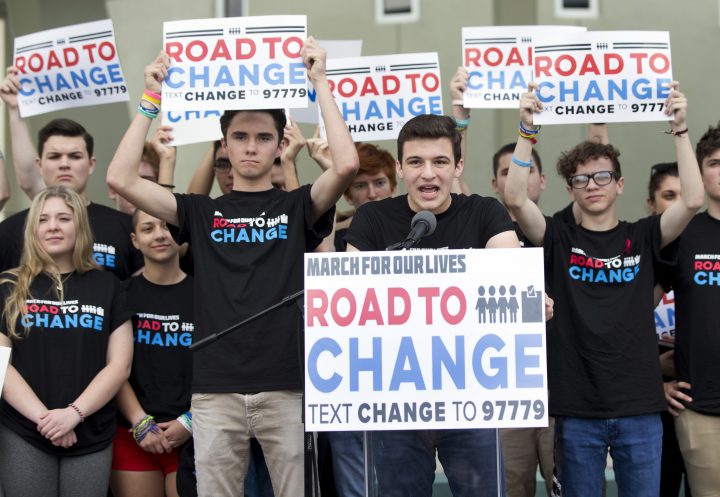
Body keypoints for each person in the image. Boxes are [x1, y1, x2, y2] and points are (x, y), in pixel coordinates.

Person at [106, 38, 359, 497]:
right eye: (240, 137)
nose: (250, 147)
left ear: (280, 144)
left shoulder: (296, 206)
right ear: (224, 143)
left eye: (263, 137)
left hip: (286, 386)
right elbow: (120, 178)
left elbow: (346, 165)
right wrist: (150, 97)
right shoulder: (199, 213)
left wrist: (320, 81)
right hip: (214, 391)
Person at [504, 82, 704, 497]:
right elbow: (516, 197)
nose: (593, 184)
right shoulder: (557, 237)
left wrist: (681, 130)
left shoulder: (645, 235)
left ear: (620, 184)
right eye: (581, 178)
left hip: (640, 408)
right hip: (576, 410)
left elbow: (692, 200)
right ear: (571, 189)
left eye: (602, 176)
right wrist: (526, 131)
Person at [345, 113, 524, 497]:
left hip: (471, 397)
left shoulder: (484, 213)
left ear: (458, 166)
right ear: (400, 168)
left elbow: (510, 276)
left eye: (440, 162)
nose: (428, 174)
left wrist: (527, 301)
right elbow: (352, 302)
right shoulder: (372, 219)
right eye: (415, 162)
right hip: (395, 402)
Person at [0, 186, 133, 497]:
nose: (53, 226)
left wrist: (73, 414)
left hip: (90, 431)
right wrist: (47, 421)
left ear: (80, 226)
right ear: (32, 229)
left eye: (63, 218)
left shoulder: (108, 286)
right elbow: (0, 365)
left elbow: (119, 366)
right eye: (43, 219)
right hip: (24, 431)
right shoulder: (7, 285)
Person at [110, 209, 194, 497]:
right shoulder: (120, 295)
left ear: (182, 235)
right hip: (131, 434)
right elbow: (112, 369)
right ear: (135, 240)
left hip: (194, 435)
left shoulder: (207, 294)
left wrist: (190, 420)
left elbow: (222, 366)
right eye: (148, 229)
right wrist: (140, 422)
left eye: (167, 227)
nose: (159, 235)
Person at [660, 122, 720, 496]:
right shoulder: (683, 236)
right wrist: (656, 381)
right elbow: (628, 313)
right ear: (700, 172)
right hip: (701, 409)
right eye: (715, 162)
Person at [644, 162, 693, 497]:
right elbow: (618, 330)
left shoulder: (708, 250)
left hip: (702, 401)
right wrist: (652, 372)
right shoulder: (639, 257)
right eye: (668, 195)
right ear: (652, 203)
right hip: (654, 404)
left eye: (684, 195)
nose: (677, 204)